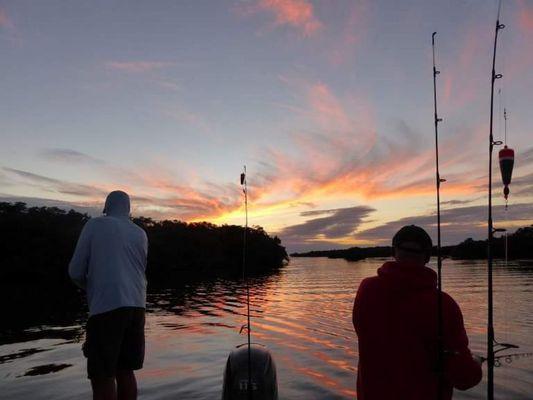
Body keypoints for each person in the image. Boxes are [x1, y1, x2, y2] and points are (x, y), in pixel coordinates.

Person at [352, 225, 482, 400]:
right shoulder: (443, 304)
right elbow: (464, 378)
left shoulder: (366, 289)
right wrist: (476, 364)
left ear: (393, 252)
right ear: (428, 257)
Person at [69, 190, 148, 400]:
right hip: (138, 307)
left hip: (106, 309)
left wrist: (93, 288)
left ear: (106, 207)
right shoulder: (140, 233)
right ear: (129, 210)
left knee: (102, 375)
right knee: (126, 370)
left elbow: (75, 271)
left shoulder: (95, 225)